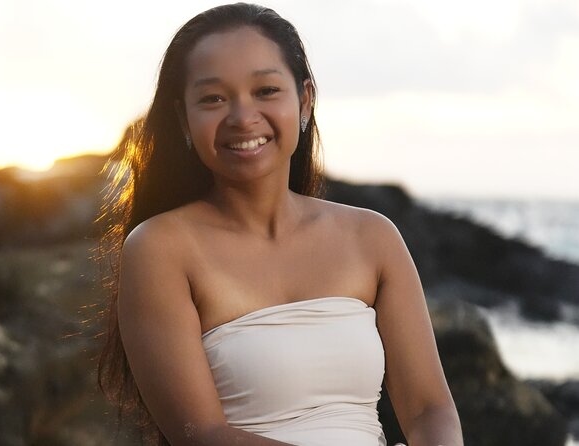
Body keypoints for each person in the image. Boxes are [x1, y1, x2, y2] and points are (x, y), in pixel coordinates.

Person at [98, 3, 463, 445]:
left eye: (266, 90)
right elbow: (202, 435)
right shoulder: (160, 248)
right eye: (213, 98)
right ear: (184, 119)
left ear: (304, 101)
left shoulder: (372, 237)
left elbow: (429, 409)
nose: (242, 116)